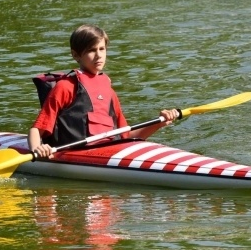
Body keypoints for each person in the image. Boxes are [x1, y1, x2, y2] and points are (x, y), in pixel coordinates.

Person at [27, 24, 180, 159]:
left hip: (109, 153)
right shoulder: (66, 87)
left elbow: (127, 136)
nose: (99, 55)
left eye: (102, 49)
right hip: (73, 156)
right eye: (91, 50)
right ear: (75, 55)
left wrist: (159, 122)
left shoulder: (109, 91)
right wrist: (37, 149)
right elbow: (36, 130)